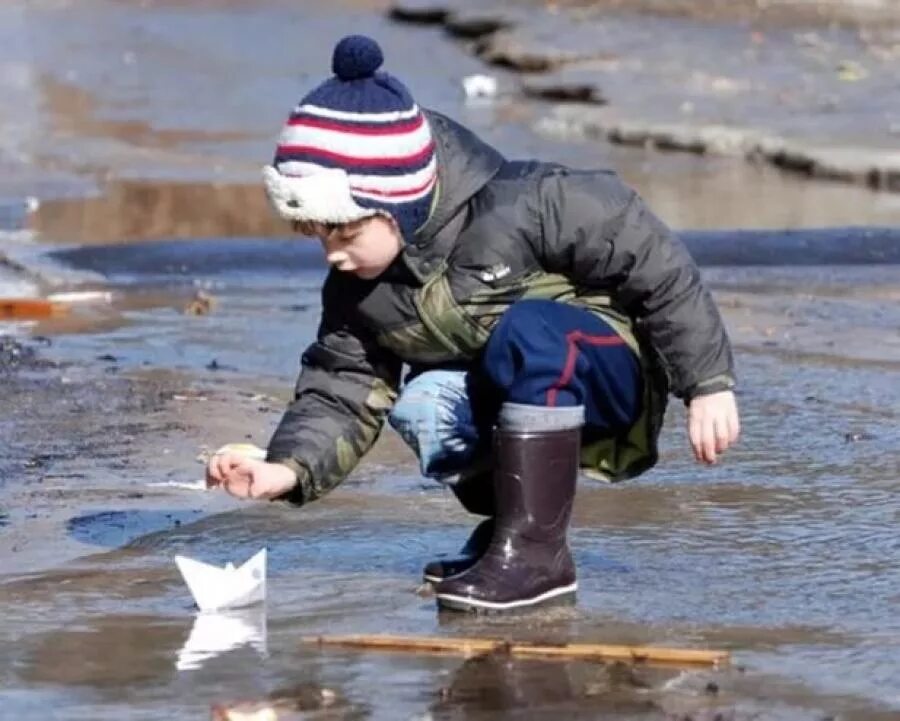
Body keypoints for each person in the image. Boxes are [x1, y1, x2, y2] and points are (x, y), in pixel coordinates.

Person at [206, 35, 740, 613]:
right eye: (318, 237)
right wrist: (284, 469)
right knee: (424, 402)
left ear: (400, 205)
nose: (332, 254)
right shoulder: (357, 291)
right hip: (519, 392)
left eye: (345, 233)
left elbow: (652, 259)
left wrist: (706, 384)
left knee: (528, 330)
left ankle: (538, 558)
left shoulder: (525, 204)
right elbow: (342, 386)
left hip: (607, 373)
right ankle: (508, 536)